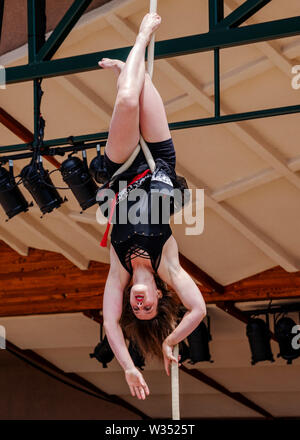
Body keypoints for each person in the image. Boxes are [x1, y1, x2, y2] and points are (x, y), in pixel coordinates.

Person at [98, 12, 206, 400]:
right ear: (159, 296)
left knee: (129, 98)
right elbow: (197, 311)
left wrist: (128, 367)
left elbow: (110, 322)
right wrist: (168, 342)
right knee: (140, 85)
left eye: (136, 309)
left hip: (123, 167)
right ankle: (125, 67)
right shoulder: (168, 265)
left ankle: (139, 39)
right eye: (147, 309)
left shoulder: (118, 272)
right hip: (159, 162)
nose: (139, 304)